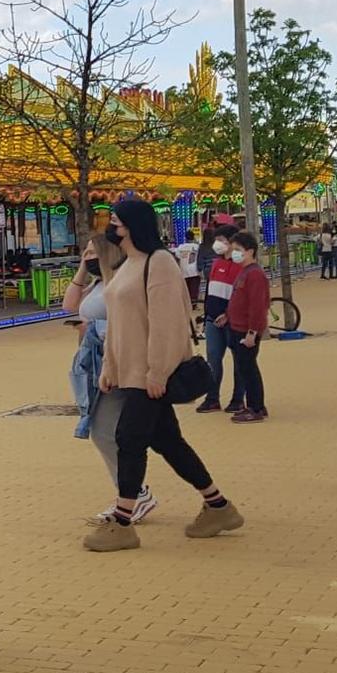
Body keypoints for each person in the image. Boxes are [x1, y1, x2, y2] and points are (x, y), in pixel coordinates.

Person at [85, 197, 244, 553]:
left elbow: (167, 323)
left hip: (150, 373)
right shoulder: (129, 264)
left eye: (116, 220)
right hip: (129, 372)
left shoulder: (159, 263)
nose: (111, 226)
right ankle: (218, 505)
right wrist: (110, 367)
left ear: (132, 224)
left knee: (129, 438)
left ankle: (123, 521)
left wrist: (157, 371)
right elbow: (117, 324)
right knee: (168, 442)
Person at [62, 236, 156, 523]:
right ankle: (131, 492)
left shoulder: (120, 284)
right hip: (91, 364)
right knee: (105, 429)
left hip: (114, 365)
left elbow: (128, 322)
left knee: (104, 430)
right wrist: (82, 269)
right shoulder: (98, 285)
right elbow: (69, 305)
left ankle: (133, 493)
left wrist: (95, 327)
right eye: (84, 252)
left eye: (92, 252)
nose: (87, 256)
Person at [195, 228, 244, 414]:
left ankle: (238, 399)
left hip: (232, 321)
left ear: (232, 242)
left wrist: (229, 314)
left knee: (239, 361)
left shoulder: (241, 267)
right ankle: (212, 398)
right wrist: (207, 313)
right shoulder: (216, 264)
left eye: (221, 240)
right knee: (213, 359)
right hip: (212, 320)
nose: (218, 244)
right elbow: (210, 291)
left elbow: (241, 295)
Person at [224, 231, 270, 424]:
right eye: (233, 249)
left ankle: (256, 407)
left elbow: (257, 306)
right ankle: (254, 405)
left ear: (250, 251)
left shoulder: (255, 275)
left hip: (247, 331)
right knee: (244, 368)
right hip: (237, 327)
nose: (234, 253)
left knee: (248, 369)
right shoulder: (244, 272)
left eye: (238, 250)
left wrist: (252, 332)